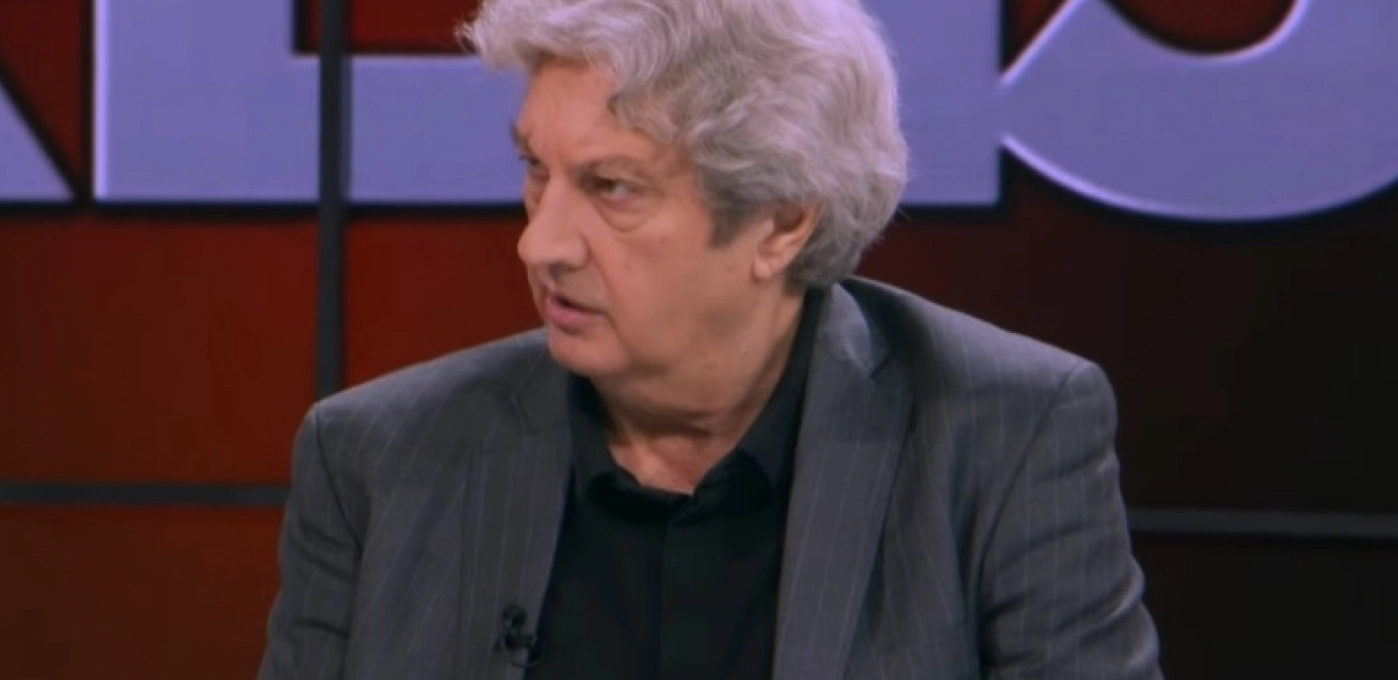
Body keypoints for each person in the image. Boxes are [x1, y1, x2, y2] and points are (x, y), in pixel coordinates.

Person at [257, 0, 1163, 677]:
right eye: (537, 171)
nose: (540, 244)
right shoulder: (376, 459)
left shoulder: (1004, 436)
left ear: (782, 222)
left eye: (612, 187)